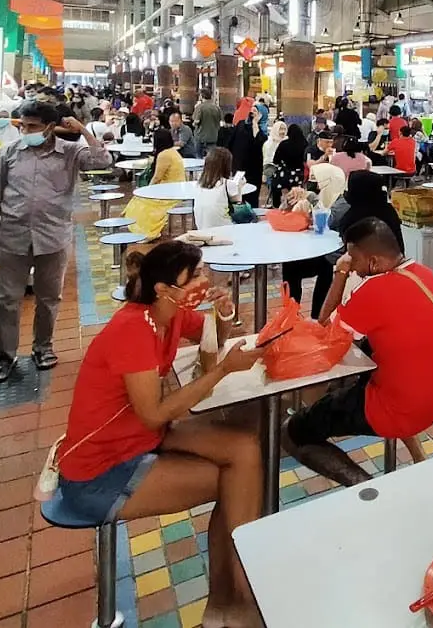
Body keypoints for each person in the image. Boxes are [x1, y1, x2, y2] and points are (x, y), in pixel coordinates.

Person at [60, 242, 266, 626]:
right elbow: (153, 414)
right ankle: (240, 595)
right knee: (235, 481)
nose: (204, 282)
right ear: (163, 288)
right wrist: (222, 371)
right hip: (101, 469)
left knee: (245, 449)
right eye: (195, 277)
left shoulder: (166, 316)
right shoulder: (132, 329)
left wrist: (222, 314)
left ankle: (230, 600)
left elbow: (210, 340)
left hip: (140, 436)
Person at [284, 219, 433, 486]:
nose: (351, 263)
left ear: (374, 262)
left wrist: (340, 274)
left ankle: (366, 488)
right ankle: (417, 453)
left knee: (294, 431)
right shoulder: (424, 273)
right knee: (369, 358)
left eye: (353, 258)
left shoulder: (373, 290)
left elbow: (323, 326)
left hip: (401, 409)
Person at [0, 101, 112, 382]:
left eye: (33, 126)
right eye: (24, 126)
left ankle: (43, 348)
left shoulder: (69, 152)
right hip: (13, 237)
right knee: (6, 300)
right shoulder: (9, 153)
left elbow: (103, 161)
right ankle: (4, 357)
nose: (26, 131)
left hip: (52, 237)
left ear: (50, 127)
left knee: (49, 298)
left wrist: (84, 131)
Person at [124, 129, 186, 239]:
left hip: (169, 191)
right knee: (138, 199)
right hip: (175, 188)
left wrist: (148, 190)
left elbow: (157, 177)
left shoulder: (164, 155)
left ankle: (146, 232)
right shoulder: (172, 151)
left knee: (142, 201)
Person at [193, 147, 244, 231]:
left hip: (202, 226)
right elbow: (238, 204)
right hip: (224, 228)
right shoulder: (226, 183)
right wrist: (239, 187)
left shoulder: (199, 183)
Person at [270, 124, 309, 206]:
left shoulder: (284, 144)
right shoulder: (305, 144)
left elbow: (275, 160)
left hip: (284, 175)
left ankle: (278, 204)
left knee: (275, 182)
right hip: (299, 175)